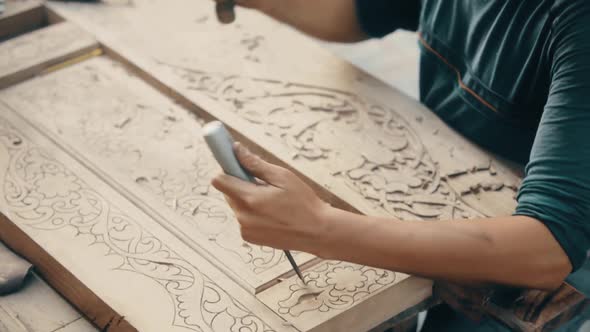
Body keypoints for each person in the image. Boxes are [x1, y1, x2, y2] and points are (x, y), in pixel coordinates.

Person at [211, 1, 590, 330]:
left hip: (544, 249)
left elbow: (548, 247)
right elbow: (363, 12)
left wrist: (319, 228)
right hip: (447, 184)